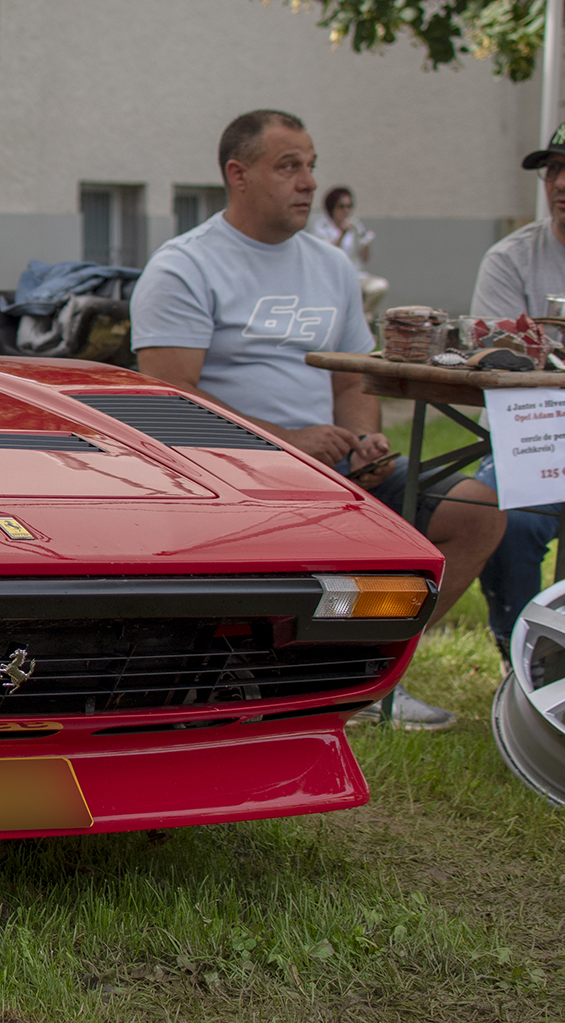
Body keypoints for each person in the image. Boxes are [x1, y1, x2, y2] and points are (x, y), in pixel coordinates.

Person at [131, 109, 505, 731]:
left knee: (480, 512)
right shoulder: (185, 266)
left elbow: (351, 378)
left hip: (334, 472)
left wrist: (363, 438)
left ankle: (372, 677)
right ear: (238, 174)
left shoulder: (331, 266)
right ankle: (304, 680)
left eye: (311, 166)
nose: (307, 182)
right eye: (288, 166)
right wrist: (285, 442)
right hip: (233, 476)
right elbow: (169, 394)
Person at [467, 121, 565, 657]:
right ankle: (527, 658)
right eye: (554, 169)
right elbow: (500, 361)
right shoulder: (511, 259)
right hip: (533, 433)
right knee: (510, 519)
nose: (561, 183)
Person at [312, 186, 389, 320]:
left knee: (379, 286)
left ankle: (363, 318)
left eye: (349, 206)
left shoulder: (356, 226)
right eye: (342, 207)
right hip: (332, 277)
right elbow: (327, 255)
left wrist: (366, 243)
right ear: (332, 208)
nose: (346, 211)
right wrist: (342, 233)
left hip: (355, 275)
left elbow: (365, 259)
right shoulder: (322, 227)